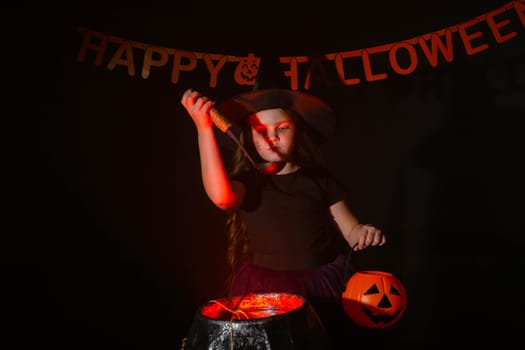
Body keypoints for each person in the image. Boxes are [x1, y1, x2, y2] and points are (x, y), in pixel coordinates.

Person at [180, 85, 386, 347]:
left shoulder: (320, 180)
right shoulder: (248, 182)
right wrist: (204, 128)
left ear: (297, 130)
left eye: (282, 128)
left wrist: (364, 232)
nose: (272, 137)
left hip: (321, 286)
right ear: (249, 135)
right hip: (264, 291)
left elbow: (352, 231)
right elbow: (221, 198)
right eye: (261, 130)